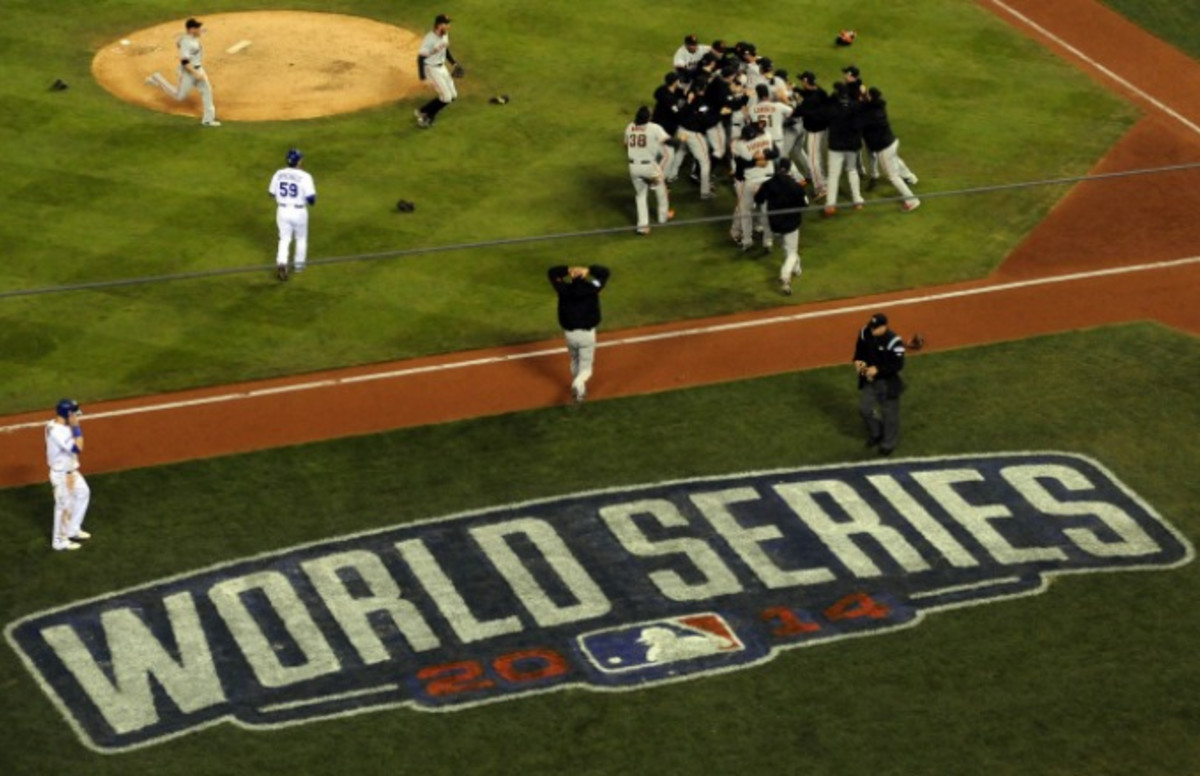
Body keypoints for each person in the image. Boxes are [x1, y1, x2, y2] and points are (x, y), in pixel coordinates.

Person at [548, 264, 610, 404]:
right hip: (587, 335)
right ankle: (578, 383)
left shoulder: (563, 288)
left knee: (575, 360)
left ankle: (580, 390)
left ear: (572, 278)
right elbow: (605, 273)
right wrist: (588, 270)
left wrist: (569, 270)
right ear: (583, 278)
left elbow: (552, 272)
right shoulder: (592, 288)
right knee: (586, 369)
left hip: (570, 335)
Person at [145, 18, 219, 127]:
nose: (200, 29)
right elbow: (184, 62)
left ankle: (208, 120)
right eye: (198, 28)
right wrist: (196, 74)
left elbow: (180, 42)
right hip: (189, 72)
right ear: (191, 30)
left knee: (207, 91)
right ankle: (157, 78)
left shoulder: (189, 38)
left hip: (198, 69)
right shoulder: (187, 43)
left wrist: (201, 31)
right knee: (179, 96)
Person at [853, 313, 907, 456]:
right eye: (872, 327)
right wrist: (858, 361)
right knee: (864, 409)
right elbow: (860, 351)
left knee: (889, 415)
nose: (872, 330)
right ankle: (877, 432)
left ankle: (888, 443)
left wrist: (878, 369)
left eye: (875, 328)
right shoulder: (865, 332)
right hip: (870, 381)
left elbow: (898, 364)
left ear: (884, 326)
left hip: (888, 382)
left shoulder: (894, 341)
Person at [860, 87, 920, 211]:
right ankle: (911, 177)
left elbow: (862, 118)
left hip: (884, 148)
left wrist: (862, 100)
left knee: (893, 176)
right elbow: (868, 106)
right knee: (896, 159)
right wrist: (865, 97)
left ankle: (912, 200)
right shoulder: (879, 106)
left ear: (870, 98)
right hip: (892, 142)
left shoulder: (871, 114)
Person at [754, 159, 808, 294]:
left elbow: (758, 199)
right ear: (789, 169)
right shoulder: (796, 186)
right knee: (792, 252)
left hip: (775, 225)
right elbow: (804, 205)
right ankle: (785, 277)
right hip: (791, 225)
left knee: (787, 248)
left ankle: (796, 269)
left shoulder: (768, 184)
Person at [45, 399, 91, 551]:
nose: (77, 417)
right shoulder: (58, 431)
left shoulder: (53, 425)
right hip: (61, 475)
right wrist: (76, 427)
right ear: (68, 414)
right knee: (63, 507)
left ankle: (72, 529)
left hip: (71, 471)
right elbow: (78, 448)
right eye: (75, 414)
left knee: (83, 493)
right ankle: (59, 541)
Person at [268, 148, 317, 281]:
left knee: (284, 239)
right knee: (300, 238)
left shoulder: (278, 173)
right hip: (299, 211)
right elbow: (312, 200)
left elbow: (271, 193)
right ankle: (299, 266)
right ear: (299, 161)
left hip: (282, 210)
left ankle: (282, 262)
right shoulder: (305, 176)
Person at [624, 107, 674, 235]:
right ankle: (663, 217)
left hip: (633, 167)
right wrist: (681, 140)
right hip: (649, 167)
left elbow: (625, 145)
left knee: (640, 195)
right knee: (661, 189)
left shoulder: (630, 127)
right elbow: (669, 141)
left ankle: (642, 227)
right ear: (648, 118)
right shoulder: (654, 127)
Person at [823, 81, 867, 216]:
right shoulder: (856, 106)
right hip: (852, 147)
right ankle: (857, 200)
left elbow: (825, 117)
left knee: (833, 175)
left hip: (835, 146)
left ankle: (830, 205)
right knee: (852, 171)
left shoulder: (832, 107)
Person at [414, 14, 460, 129]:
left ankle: (422, 110)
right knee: (446, 97)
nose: (449, 26)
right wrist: (422, 78)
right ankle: (427, 117)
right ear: (439, 25)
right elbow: (420, 58)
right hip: (431, 68)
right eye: (446, 24)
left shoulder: (444, 34)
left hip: (442, 67)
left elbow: (445, 49)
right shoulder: (429, 40)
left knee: (453, 96)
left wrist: (454, 63)